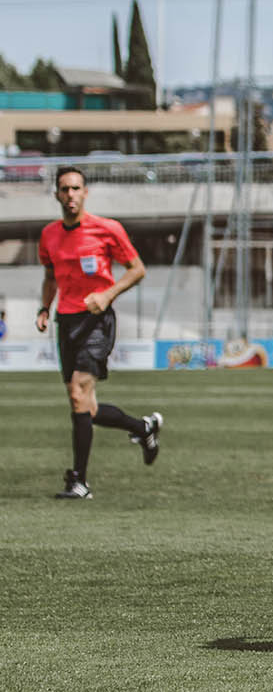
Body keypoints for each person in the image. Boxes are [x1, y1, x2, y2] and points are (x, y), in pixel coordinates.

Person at [37, 166, 162, 499]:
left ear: (85, 192)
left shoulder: (107, 229)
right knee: (85, 406)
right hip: (66, 321)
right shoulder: (49, 235)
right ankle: (143, 427)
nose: (71, 194)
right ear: (57, 194)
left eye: (76, 188)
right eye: (65, 189)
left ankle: (79, 481)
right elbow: (50, 277)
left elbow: (137, 269)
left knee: (78, 392)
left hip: (97, 319)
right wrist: (44, 308)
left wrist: (107, 295)